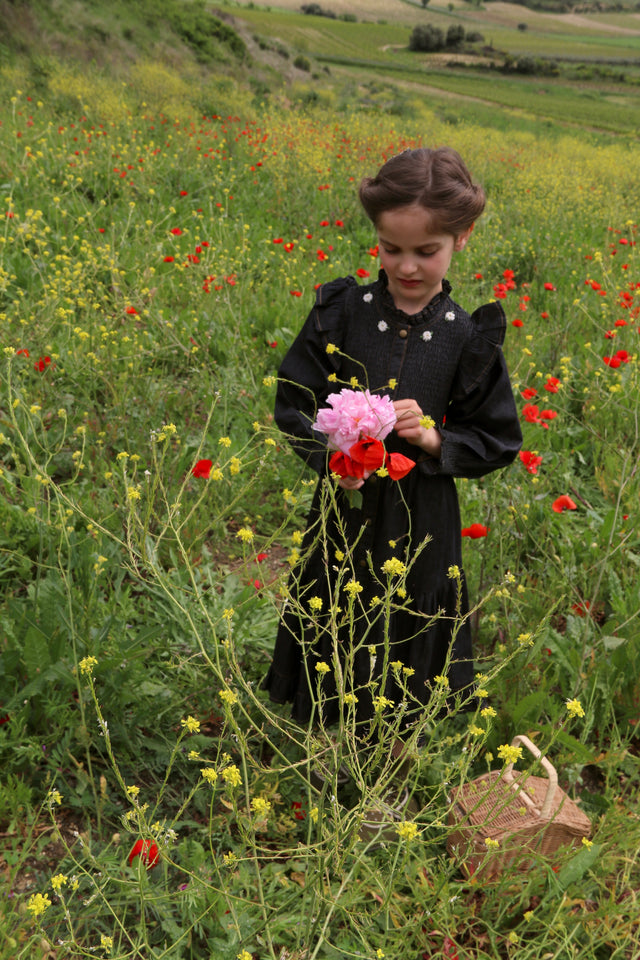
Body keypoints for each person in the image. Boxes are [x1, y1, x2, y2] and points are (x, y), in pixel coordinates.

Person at [262, 146, 522, 734]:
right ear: (376, 238)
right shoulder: (343, 311)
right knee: (337, 597)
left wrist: (433, 439)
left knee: (412, 610)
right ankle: (327, 728)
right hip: (346, 500)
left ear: (462, 238)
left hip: (425, 509)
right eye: (391, 248)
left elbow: (497, 437)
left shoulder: (467, 336)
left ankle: (397, 734)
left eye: (426, 251)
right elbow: (293, 400)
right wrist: (331, 453)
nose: (406, 266)